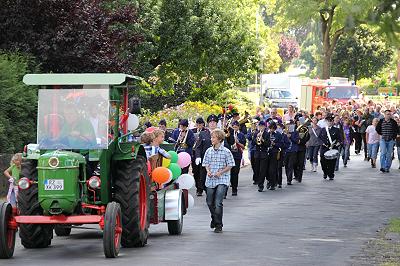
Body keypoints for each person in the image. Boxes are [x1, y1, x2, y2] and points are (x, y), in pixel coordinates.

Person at [202, 129, 235, 233]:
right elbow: (206, 163)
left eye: (214, 137)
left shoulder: (226, 151)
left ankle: (219, 225)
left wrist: (221, 172)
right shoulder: (208, 151)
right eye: (211, 137)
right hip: (211, 179)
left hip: (222, 179)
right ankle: (214, 219)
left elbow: (231, 165)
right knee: (209, 201)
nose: (211, 139)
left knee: (218, 202)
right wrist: (208, 171)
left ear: (220, 139)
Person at [194, 114, 218, 196]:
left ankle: (216, 193)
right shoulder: (203, 134)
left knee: (217, 177)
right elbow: (198, 147)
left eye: (214, 122)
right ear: (208, 123)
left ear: (216, 123)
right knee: (203, 178)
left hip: (217, 160)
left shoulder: (220, 133)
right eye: (210, 122)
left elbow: (227, 145)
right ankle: (208, 192)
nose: (212, 123)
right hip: (206, 161)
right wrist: (198, 156)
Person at [319, 114, 342, 180]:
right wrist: (322, 143)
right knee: (322, 162)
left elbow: (340, 139)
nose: (329, 122)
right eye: (328, 121)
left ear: (332, 122)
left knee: (332, 162)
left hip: (333, 148)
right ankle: (325, 172)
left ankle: (331, 174)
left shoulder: (336, 130)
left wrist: (338, 143)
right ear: (326, 122)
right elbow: (319, 138)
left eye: (331, 121)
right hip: (324, 148)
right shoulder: (323, 130)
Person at [226, 120, 246, 196]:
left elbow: (243, 147)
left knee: (235, 173)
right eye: (233, 127)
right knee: (228, 172)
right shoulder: (229, 134)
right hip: (229, 155)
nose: (234, 129)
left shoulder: (241, 135)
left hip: (237, 155)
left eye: (236, 127)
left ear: (238, 127)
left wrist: (237, 142)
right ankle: (227, 188)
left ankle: (234, 189)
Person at [252, 121, 270, 192]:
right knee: (257, 170)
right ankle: (260, 181)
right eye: (259, 126)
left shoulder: (267, 134)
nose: (260, 127)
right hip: (257, 154)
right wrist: (256, 138)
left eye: (262, 126)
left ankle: (260, 185)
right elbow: (253, 143)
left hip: (264, 154)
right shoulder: (256, 133)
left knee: (262, 170)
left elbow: (268, 144)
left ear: (264, 127)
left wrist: (262, 139)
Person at [191, 117, 207, 196]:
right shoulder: (192, 131)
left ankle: (200, 189)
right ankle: (198, 186)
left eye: (200, 124)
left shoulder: (205, 131)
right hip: (194, 153)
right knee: (195, 172)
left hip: (201, 153)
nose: (198, 125)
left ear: (203, 124)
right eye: (197, 124)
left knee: (201, 172)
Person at [266, 121, 283, 190]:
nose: (271, 130)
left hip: (274, 153)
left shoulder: (278, 134)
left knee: (272, 169)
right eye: (270, 128)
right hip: (266, 153)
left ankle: (272, 184)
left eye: (272, 128)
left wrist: (274, 144)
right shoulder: (266, 133)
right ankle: (269, 181)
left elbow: (281, 144)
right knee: (266, 169)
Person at [283, 120, 299, 185]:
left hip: (293, 151)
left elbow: (296, 141)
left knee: (290, 165)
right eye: (287, 124)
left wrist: (291, 137)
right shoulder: (284, 132)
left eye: (290, 124)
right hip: (286, 151)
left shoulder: (295, 132)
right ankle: (288, 177)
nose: (289, 125)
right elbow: (282, 141)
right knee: (286, 165)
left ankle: (289, 180)